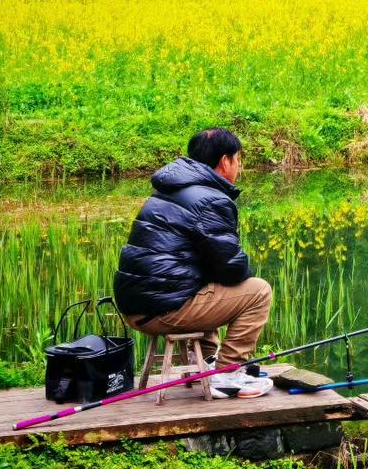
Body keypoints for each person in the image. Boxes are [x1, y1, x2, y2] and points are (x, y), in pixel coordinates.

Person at [114, 128, 273, 398]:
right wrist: (245, 267)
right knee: (258, 291)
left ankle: (208, 360)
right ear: (225, 161)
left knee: (209, 278)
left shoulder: (170, 190)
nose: (239, 166)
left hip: (136, 305)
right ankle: (225, 374)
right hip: (163, 309)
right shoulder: (210, 200)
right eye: (238, 159)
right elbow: (231, 267)